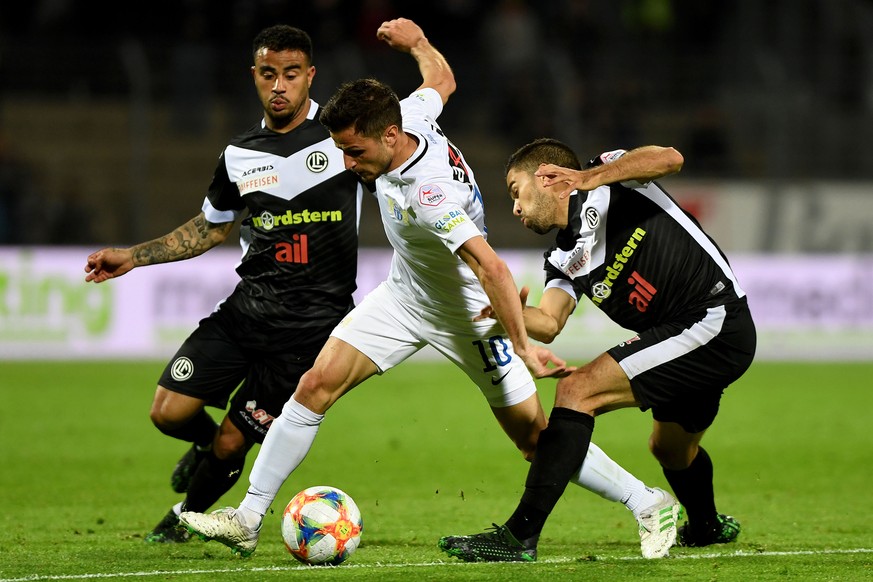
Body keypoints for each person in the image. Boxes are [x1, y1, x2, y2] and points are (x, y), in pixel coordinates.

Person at [179, 19, 681, 560]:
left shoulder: (429, 192)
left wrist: (523, 344)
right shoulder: (410, 115)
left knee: (535, 439)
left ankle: (648, 501)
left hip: (470, 313)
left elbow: (491, 268)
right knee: (314, 385)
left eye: (354, 152)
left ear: (388, 137)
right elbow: (442, 79)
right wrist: (417, 43)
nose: (348, 165)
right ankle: (249, 517)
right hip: (405, 295)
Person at [84, 25, 365, 543]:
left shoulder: (343, 137)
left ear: (310, 77)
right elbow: (211, 227)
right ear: (254, 77)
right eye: (267, 74)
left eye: (290, 74)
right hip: (245, 312)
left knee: (235, 443)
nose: (278, 86)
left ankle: (183, 519)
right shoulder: (239, 153)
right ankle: (203, 449)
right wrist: (134, 256)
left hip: (308, 330)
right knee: (168, 412)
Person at [438, 139, 757, 561]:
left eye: (516, 191)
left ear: (547, 176)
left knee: (576, 391)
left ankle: (518, 537)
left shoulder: (610, 177)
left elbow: (671, 158)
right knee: (670, 450)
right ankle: (707, 525)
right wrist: (508, 311)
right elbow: (549, 324)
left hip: (713, 318)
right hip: (683, 338)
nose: (514, 208)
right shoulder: (561, 257)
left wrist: (589, 177)